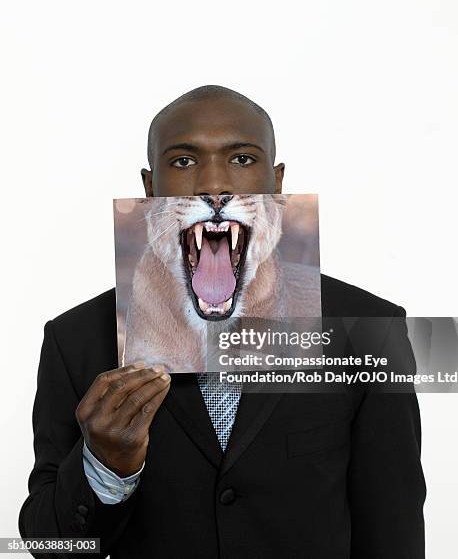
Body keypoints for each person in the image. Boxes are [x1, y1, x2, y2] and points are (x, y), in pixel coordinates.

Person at [19, 85, 426, 558]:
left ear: (276, 183)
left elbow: (393, 529)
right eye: (184, 162)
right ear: (150, 189)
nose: (214, 185)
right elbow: (47, 544)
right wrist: (106, 467)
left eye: (242, 159)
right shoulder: (75, 341)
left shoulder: (372, 329)